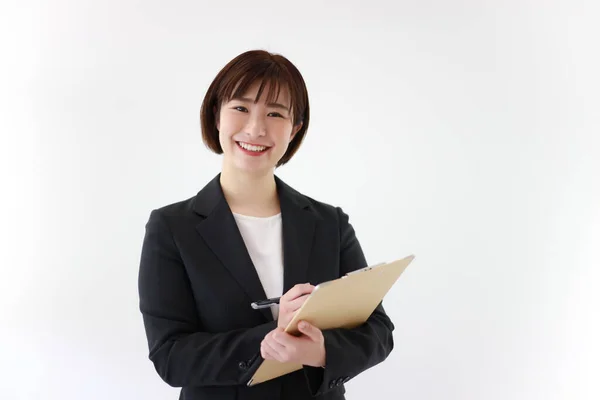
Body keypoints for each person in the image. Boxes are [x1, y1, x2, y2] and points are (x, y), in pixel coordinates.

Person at [137, 49, 395, 400]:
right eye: (241, 108)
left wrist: (319, 351)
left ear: (295, 128)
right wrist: (270, 337)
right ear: (216, 114)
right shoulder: (171, 227)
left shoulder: (329, 223)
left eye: (275, 113)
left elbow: (378, 332)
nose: (256, 128)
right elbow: (171, 356)